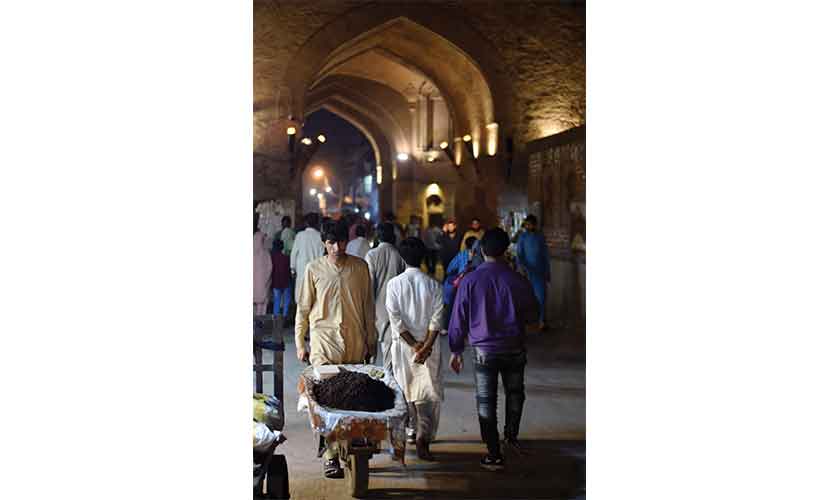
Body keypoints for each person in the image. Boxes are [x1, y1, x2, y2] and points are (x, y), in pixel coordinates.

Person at [448, 228, 539, 471]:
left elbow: (458, 319)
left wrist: (456, 350)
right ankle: (511, 437)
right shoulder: (517, 280)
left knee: (486, 401)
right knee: (515, 394)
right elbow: (533, 315)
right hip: (514, 347)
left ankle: (493, 452)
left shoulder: (470, 280)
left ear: (481, 251)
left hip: (484, 351)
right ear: (506, 250)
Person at [294, 219, 377, 479]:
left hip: (354, 342)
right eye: (331, 243)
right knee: (325, 399)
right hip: (323, 344)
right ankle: (329, 454)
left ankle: (354, 437)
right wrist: (300, 342)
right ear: (324, 243)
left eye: (341, 242)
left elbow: (368, 308)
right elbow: (304, 309)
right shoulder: (313, 269)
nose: (337, 248)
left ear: (346, 242)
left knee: (355, 395)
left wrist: (371, 340)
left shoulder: (360, 268)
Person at [385, 237, 445, 461]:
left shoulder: (394, 285)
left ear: (401, 258)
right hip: (429, 351)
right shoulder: (433, 285)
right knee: (427, 397)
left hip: (403, 349)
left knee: (403, 394)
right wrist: (426, 347)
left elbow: (396, 321)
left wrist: (414, 346)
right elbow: (436, 321)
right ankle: (423, 440)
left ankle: (400, 440)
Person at [364, 223, 406, 372]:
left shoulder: (372, 255)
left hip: (375, 311)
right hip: (394, 310)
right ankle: (389, 388)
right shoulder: (400, 255)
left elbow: (369, 285)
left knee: (369, 356)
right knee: (389, 359)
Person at [516, 215, 551, 331]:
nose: (528, 226)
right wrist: (522, 269)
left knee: (541, 297)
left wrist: (547, 272)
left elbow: (545, 255)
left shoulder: (540, 237)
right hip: (527, 272)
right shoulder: (522, 237)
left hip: (539, 272)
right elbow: (519, 255)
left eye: (530, 224)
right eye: (526, 224)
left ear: (535, 225)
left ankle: (541, 321)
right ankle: (527, 322)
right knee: (526, 298)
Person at [442, 236, 478, 334]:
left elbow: (450, 269)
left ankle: (446, 327)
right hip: (476, 286)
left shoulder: (462, 255)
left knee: (452, 302)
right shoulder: (480, 257)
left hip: (462, 283)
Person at [290, 213, 324, 306]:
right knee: (313, 295)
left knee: (300, 296)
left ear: (306, 223)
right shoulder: (319, 236)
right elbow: (321, 256)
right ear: (317, 223)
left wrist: (292, 269)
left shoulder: (300, 235)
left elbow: (294, 253)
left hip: (301, 269)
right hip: (315, 270)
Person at [270, 239, 292, 318]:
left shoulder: (271, 258)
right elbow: (289, 271)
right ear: (282, 247)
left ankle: (275, 318)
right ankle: (285, 317)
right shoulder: (286, 258)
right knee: (286, 300)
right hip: (286, 282)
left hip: (276, 282)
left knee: (277, 301)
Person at [254, 231, 273, 315]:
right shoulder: (266, 253)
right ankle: (260, 322)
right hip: (263, 283)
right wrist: (267, 280)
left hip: (254, 284)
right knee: (262, 305)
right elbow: (270, 268)